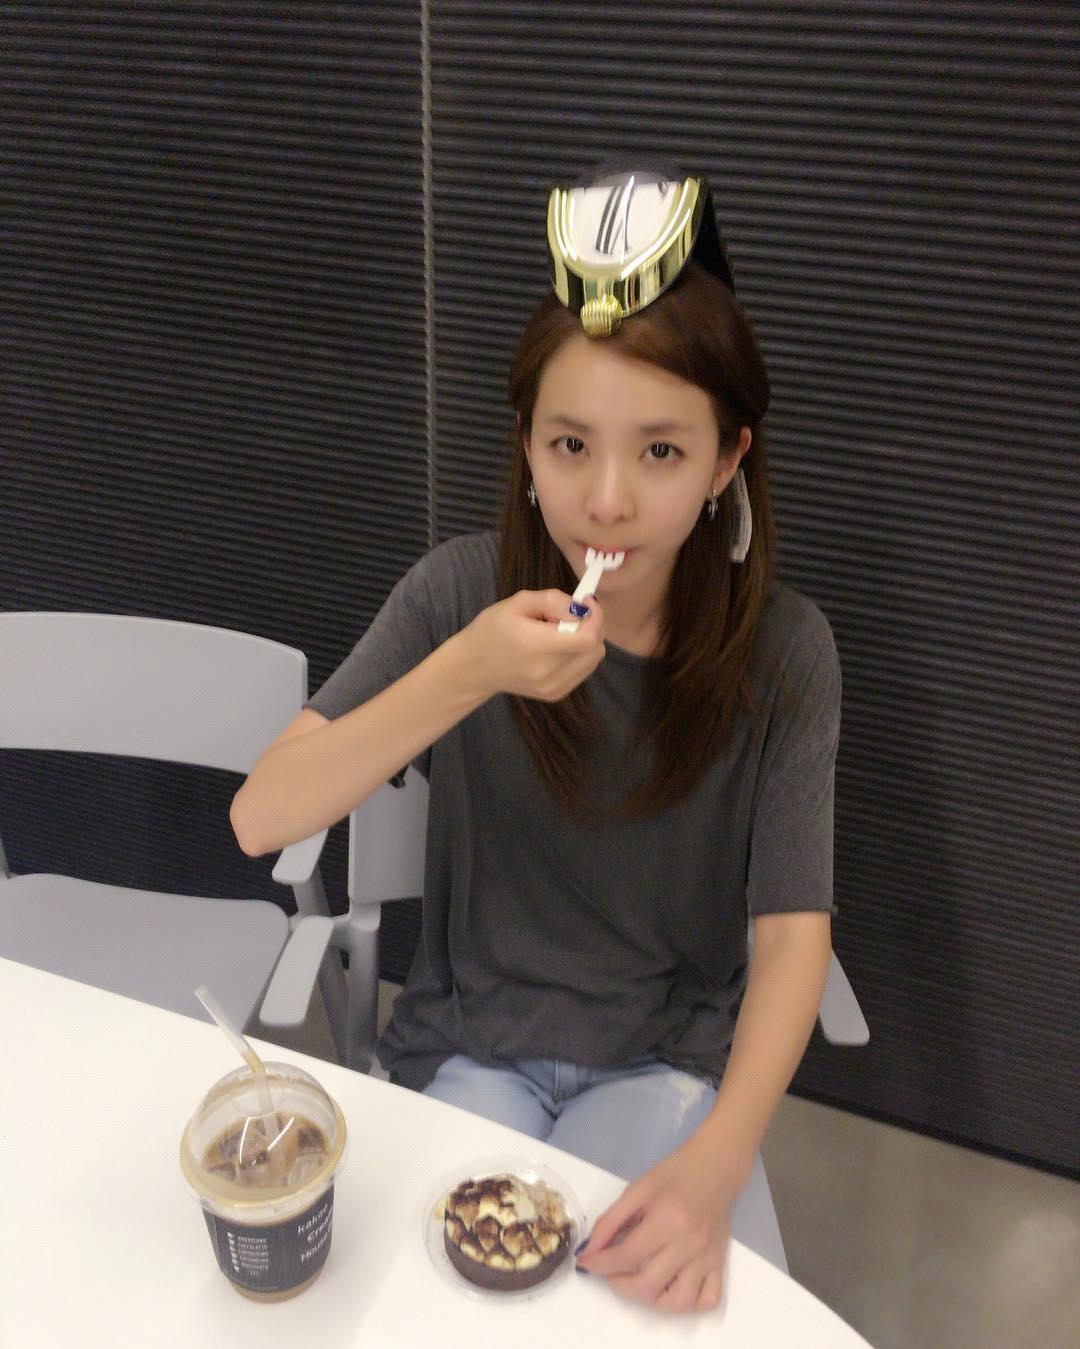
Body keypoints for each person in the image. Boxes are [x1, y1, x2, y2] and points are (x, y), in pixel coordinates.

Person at [230, 166, 839, 1315]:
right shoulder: (457, 593)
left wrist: (718, 1163)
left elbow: (791, 931)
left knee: (612, 1311)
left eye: (660, 452)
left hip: (662, 1059)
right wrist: (467, 670)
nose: (606, 500)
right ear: (525, 444)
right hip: (470, 1048)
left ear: (727, 459)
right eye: (570, 444)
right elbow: (262, 816)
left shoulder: (786, 653)